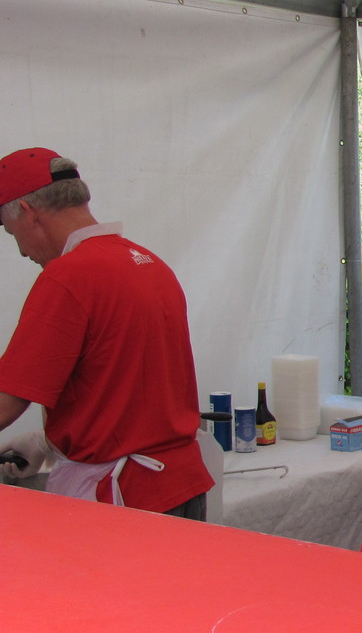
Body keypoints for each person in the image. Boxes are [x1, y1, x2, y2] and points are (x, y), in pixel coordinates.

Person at [0, 148, 212, 518]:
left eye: (10, 231)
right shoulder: (149, 264)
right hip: (181, 485)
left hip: (125, 499)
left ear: (28, 212)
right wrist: (48, 442)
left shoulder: (67, 276)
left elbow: (6, 402)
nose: (20, 251)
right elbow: (124, 385)